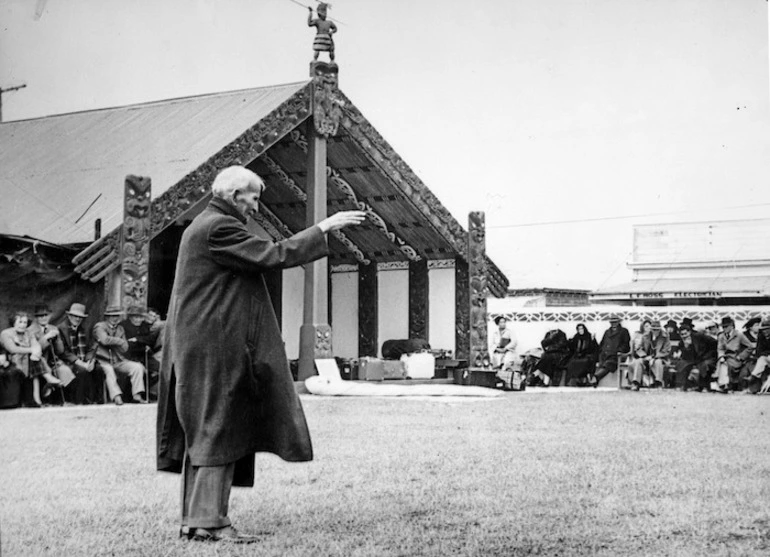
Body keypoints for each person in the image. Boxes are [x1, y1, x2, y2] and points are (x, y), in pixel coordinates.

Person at [156, 165, 365, 543]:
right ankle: (209, 522)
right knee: (216, 427)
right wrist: (324, 228)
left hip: (205, 343)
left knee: (209, 428)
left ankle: (198, 519)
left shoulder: (202, 225)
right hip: (214, 346)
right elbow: (273, 255)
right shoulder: (218, 227)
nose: (255, 205)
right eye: (253, 197)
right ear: (236, 195)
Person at [0, 311, 60, 407]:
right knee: (33, 359)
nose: (23, 325)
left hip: (28, 363)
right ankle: (46, 378)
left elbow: (36, 345)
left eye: (25, 322)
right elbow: (12, 349)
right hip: (9, 363)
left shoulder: (28, 333)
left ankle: (37, 400)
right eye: (20, 322)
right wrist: (31, 350)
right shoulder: (6, 333)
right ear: (13, 322)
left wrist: (35, 351)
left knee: (34, 359)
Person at [93, 306, 147, 405]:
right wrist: (119, 341)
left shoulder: (120, 328)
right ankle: (116, 396)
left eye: (117, 316)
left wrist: (118, 342)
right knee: (109, 370)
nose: (115, 318)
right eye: (112, 316)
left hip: (118, 360)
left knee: (137, 367)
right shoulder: (100, 326)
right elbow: (104, 340)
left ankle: (137, 394)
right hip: (102, 360)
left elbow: (125, 347)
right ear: (107, 317)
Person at [29, 304, 75, 402]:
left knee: (64, 370)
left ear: (50, 316)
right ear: (36, 318)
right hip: (38, 363)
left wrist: (57, 338)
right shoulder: (30, 331)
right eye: (40, 316)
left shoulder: (53, 328)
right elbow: (35, 349)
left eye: (46, 315)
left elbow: (60, 351)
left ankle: (64, 401)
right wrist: (45, 338)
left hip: (53, 361)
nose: (44, 318)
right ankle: (47, 396)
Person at [57, 303, 101, 404]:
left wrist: (91, 361)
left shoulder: (85, 329)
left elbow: (91, 348)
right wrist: (82, 364)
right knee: (81, 370)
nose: (77, 319)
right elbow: (64, 353)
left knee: (98, 369)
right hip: (68, 361)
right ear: (69, 316)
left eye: (80, 317)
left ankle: (96, 400)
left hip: (84, 359)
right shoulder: (61, 329)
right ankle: (80, 401)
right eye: (75, 316)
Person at [120, 306, 160, 398]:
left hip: (144, 355)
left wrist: (138, 339)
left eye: (140, 317)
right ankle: (130, 394)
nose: (138, 320)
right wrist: (142, 343)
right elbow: (126, 345)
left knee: (160, 369)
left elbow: (150, 340)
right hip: (129, 356)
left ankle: (145, 390)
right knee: (139, 369)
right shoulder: (123, 326)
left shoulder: (144, 326)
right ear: (130, 317)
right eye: (135, 317)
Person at [675, 322, 718, 391]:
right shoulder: (681, 343)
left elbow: (714, 342)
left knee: (704, 365)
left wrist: (710, 353)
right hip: (694, 360)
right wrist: (686, 347)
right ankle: (682, 385)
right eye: (682, 334)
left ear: (689, 332)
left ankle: (704, 386)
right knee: (682, 364)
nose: (684, 336)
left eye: (685, 334)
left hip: (706, 357)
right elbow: (685, 357)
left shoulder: (699, 336)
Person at [715, 316, 753, 393]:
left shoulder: (739, 335)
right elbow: (720, 348)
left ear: (731, 326)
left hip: (735, 358)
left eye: (726, 326)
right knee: (721, 363)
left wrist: (741, 356)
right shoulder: (721, 336)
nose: (724, 328)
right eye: (723, 327)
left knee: (726, 364)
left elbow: (750, 347)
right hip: (725, 357)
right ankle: (723, 384)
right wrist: (721, 356)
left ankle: (725, 384)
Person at [629, 320, 670, 391]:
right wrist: (644, 356)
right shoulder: (645, 335)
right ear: (651, 329)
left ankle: (658, 383)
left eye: (657, 330)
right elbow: (639, 348)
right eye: (653, 330)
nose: (655, 331)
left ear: (660, 329)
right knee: (638, 362)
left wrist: (654, 357)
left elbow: (666, 350)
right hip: (646, 357)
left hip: (660, 358)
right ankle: (636, 383)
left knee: (658, 362)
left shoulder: (665, 336)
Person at [594, 316, 631, 383]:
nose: (613, 324)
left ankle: (597, 377)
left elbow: (626, 345)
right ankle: (593, 379)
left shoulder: (624, 331)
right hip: (605, 354)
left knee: (610, 363)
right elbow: (602, 343)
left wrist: (617, 351)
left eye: (615, 322)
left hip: (617, 355)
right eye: (612, 322)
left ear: (618, 322)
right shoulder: (607, 332)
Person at [747, 318, 770, 394]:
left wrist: (765, 353)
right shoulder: (761, 336)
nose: (765, 331)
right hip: (765, 357)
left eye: (767, 329)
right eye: (763, 330)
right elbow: (758, 351)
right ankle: (754, 376)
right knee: (761, 359)